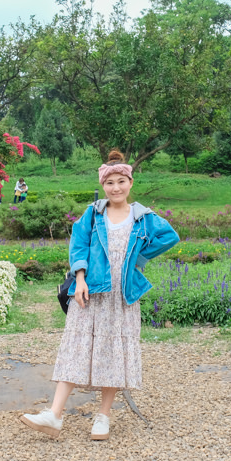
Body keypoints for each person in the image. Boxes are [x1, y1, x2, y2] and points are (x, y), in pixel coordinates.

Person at [19, 150, 179, 440]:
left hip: (123, 294)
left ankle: (103, 417)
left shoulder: (142, 217)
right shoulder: (93, 213)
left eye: (121, 181)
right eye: (110, 183)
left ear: (131, 182)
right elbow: (78, 245)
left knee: (115, 353)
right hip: (91, 290)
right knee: (75, 347)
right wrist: (79, 278)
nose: (116, 188)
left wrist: (139, 259)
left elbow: (170, 236)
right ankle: (54, 415)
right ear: (103, 185)